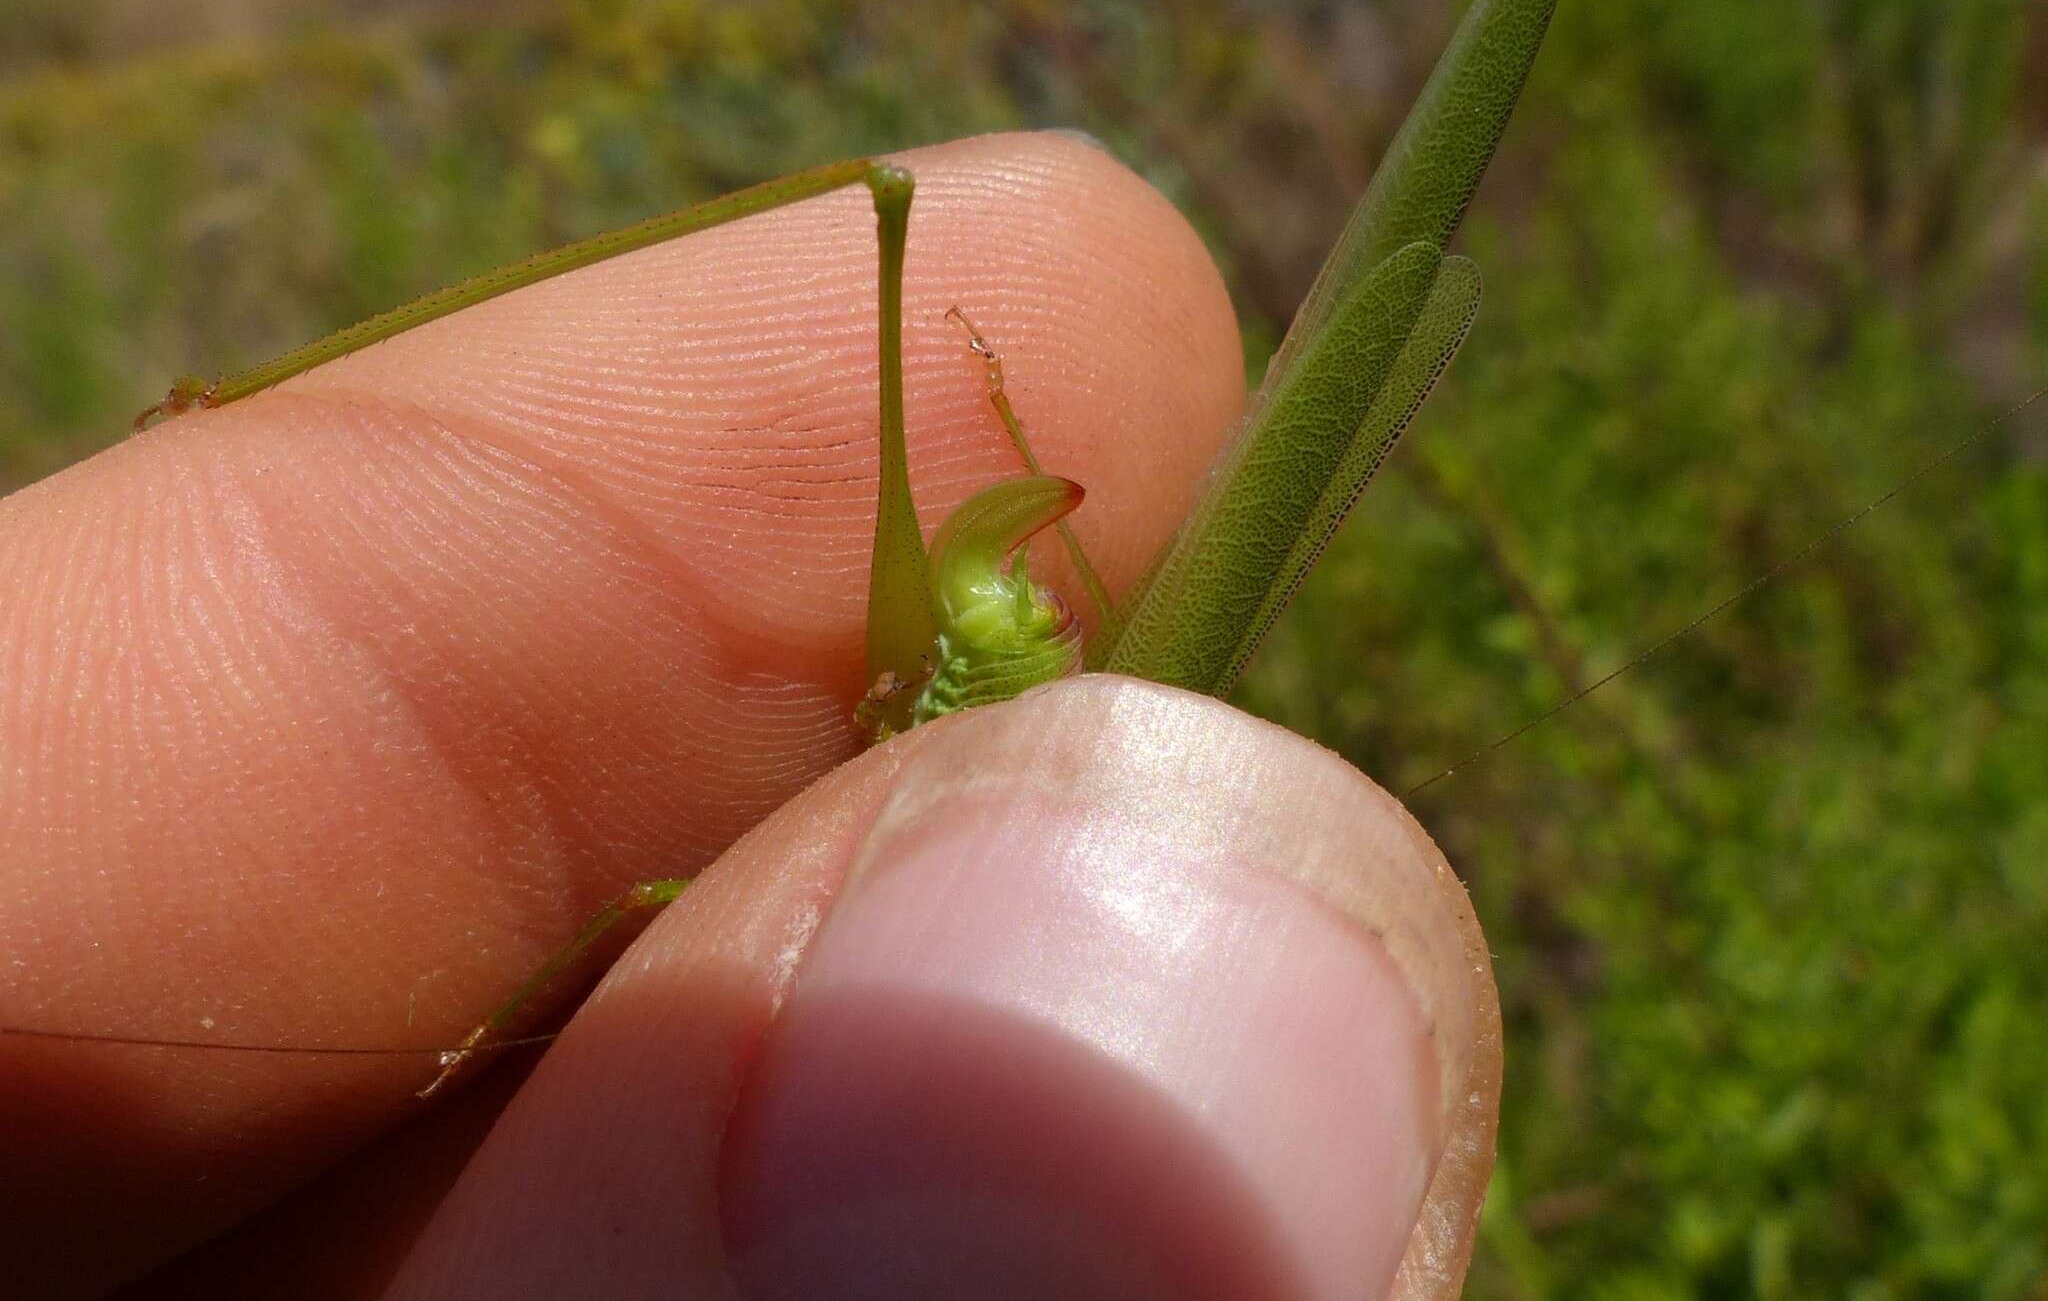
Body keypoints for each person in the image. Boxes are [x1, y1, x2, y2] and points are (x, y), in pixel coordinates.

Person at [3, 132, 1499, 1298]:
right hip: (978, 668)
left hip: (965, 680)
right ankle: (251, 392)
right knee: (896, 214)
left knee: (894, 207)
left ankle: (247, 392)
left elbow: (658, 901)